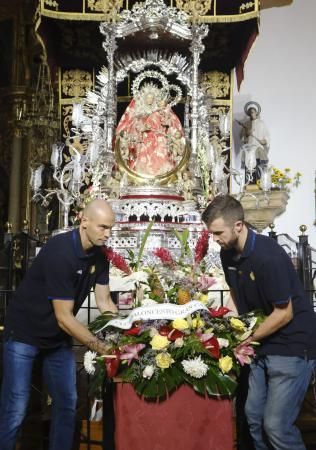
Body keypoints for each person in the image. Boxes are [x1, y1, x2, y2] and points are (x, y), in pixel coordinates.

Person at [0, 199, 118, 450]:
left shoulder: (101, 256)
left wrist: (127, 334)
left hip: (56, 339)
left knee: (66, 403)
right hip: (24, 334)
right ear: (84, 221)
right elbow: (64, 317)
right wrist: (102, 347)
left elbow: (105, 301)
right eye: (103, 227)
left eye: (111, 228)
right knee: (16, 407)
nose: (107, 234)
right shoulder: (60, 252)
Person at [202, 195, 316, 450]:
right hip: (262, 343)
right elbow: (234, 293)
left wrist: (248, 338)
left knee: (276, 426)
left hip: (292, 345)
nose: (215, 239)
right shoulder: (227, 254)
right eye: (212, 233)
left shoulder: (268, 256)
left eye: (218, 232)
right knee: (253, 418)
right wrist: (227, 327)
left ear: (239, 225)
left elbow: (284, 313)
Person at [115, 82, 184, 176]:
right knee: (143, 157)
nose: (149, 100)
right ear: (144, 98)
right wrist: (142, 128)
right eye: (148, 98)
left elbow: (170, 124)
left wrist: (167, 124)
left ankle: (161, 176)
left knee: (161, 155)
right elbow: (134, 126)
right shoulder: (139, 113)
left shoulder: (160, 111)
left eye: (152, 98)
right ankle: (144, 177)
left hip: (159, 139)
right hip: (144, 139)